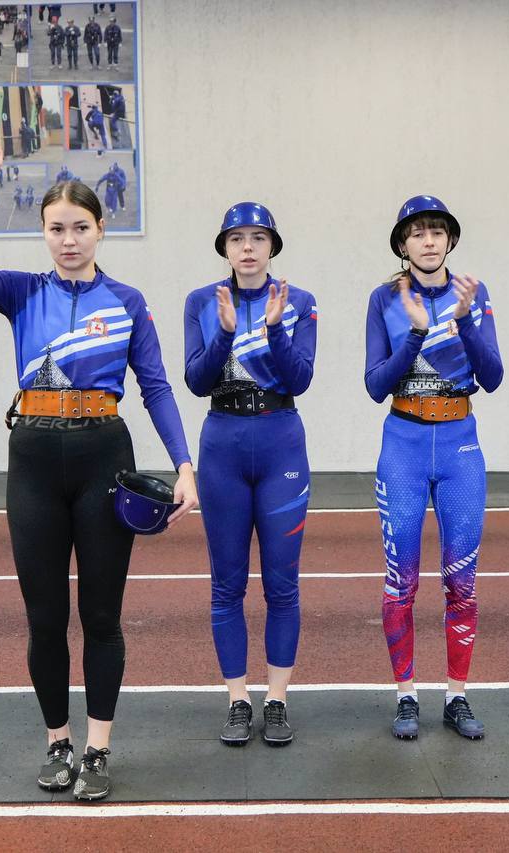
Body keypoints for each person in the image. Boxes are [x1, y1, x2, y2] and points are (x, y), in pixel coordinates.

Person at [0, 124, 198, 801]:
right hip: (33, 458)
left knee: (103, 616)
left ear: (100, 229)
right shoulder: (23, 292)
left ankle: (98, 748)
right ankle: (57, 741)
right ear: (44, 233)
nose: (68, 240)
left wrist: (184, 464)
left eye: (80, 227)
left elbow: (156, 386)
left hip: (103, 458)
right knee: (45, 617)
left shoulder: (128, 302)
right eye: (56, 229)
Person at [365, 196, 502, 741]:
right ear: (403, 244)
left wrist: (465, 322)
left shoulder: (473, 293)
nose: (428, 240)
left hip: (460, 444)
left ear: (450, 240)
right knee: (401, 581)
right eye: (418, 232)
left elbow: (493, 377)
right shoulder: (384, 299)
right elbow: (375, 385)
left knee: (461, 580)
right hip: (403, 442)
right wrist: (418, 334)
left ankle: (456, 696)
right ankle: (405, 696)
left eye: (437, 231)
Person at [184, 203, 316, 746]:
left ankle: (277, 700)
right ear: (224, 247)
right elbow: (196, 381)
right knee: (227, 584)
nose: (247, 247)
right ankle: (238, 700)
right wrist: (223, 334)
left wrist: (275, 329)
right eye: (236, 238)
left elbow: (300, 379)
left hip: (281, 440)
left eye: (258, 238)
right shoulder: (202, 301)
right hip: (223, 444)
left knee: (282, 584)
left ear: (272, 246)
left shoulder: (299, 300)